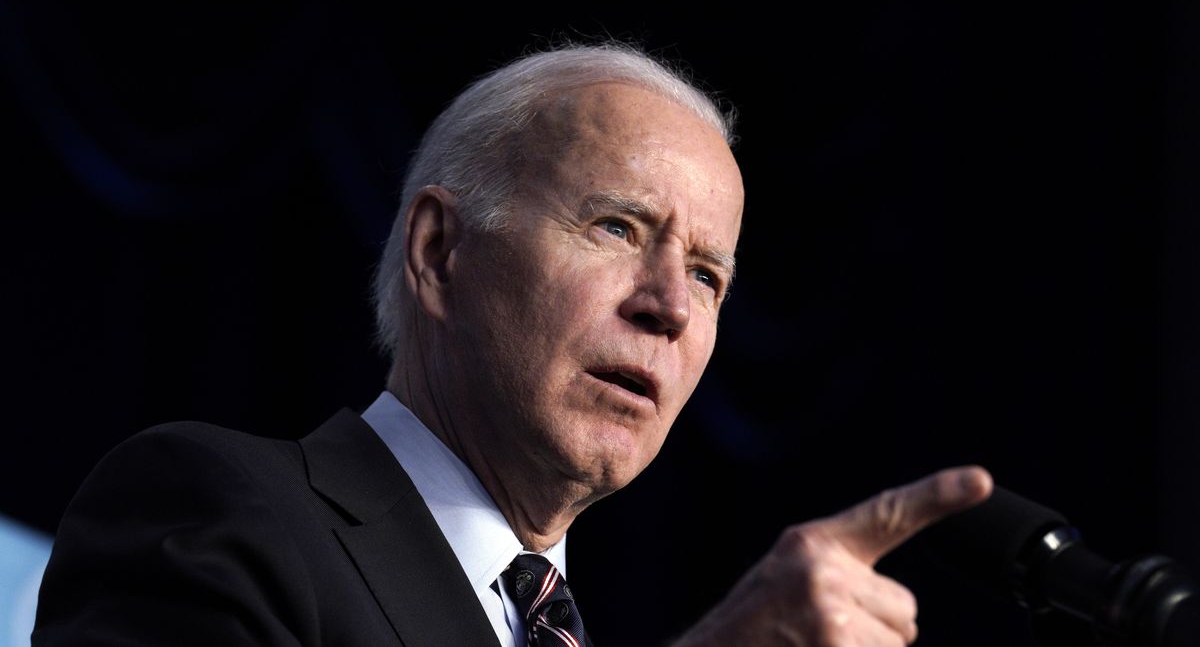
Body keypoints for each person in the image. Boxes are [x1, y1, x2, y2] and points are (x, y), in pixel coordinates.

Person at [33, 43, 992, 646]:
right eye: (616, 227)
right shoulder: (210, 514)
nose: (670, 305)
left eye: (708, 273)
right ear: (440, 250)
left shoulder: (556, 627)